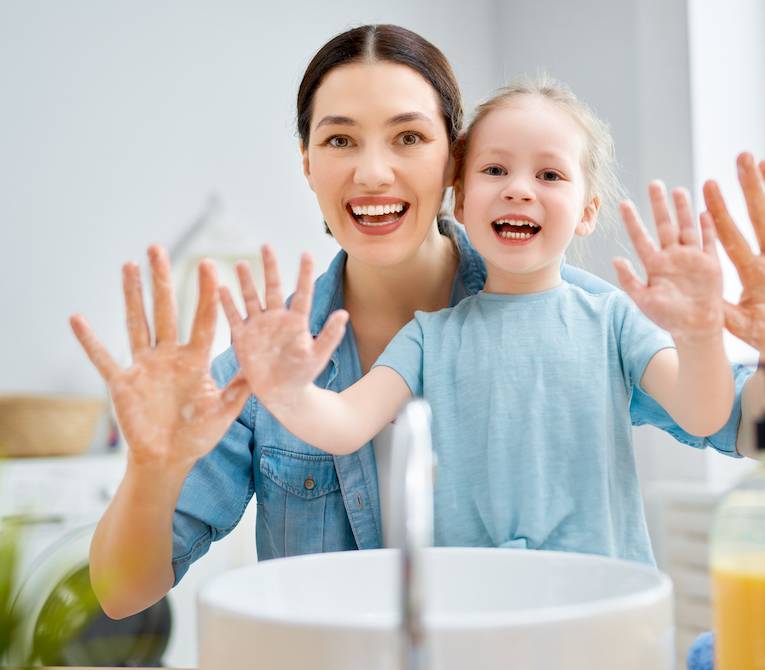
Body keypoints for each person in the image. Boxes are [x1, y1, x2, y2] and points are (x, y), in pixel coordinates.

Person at [69, 24, 765, 619]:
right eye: (339, 139)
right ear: (307, 163)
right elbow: (121, 594)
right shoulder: (275, 357)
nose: (373, 171)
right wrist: (152, 465)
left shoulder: (577, 312)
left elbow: (752, 422)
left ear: (450, 164)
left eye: (408, 137)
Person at [222, 76, 735, 564]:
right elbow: (345, 426)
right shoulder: (429, 337)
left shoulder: (613, 322)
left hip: (600, 621)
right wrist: (286, 389)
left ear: (587, 210)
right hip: (474, 620)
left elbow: (703, 415)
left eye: (550, 175)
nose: (519, 189)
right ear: (461, 200)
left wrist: (702, 335)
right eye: (495, 170)